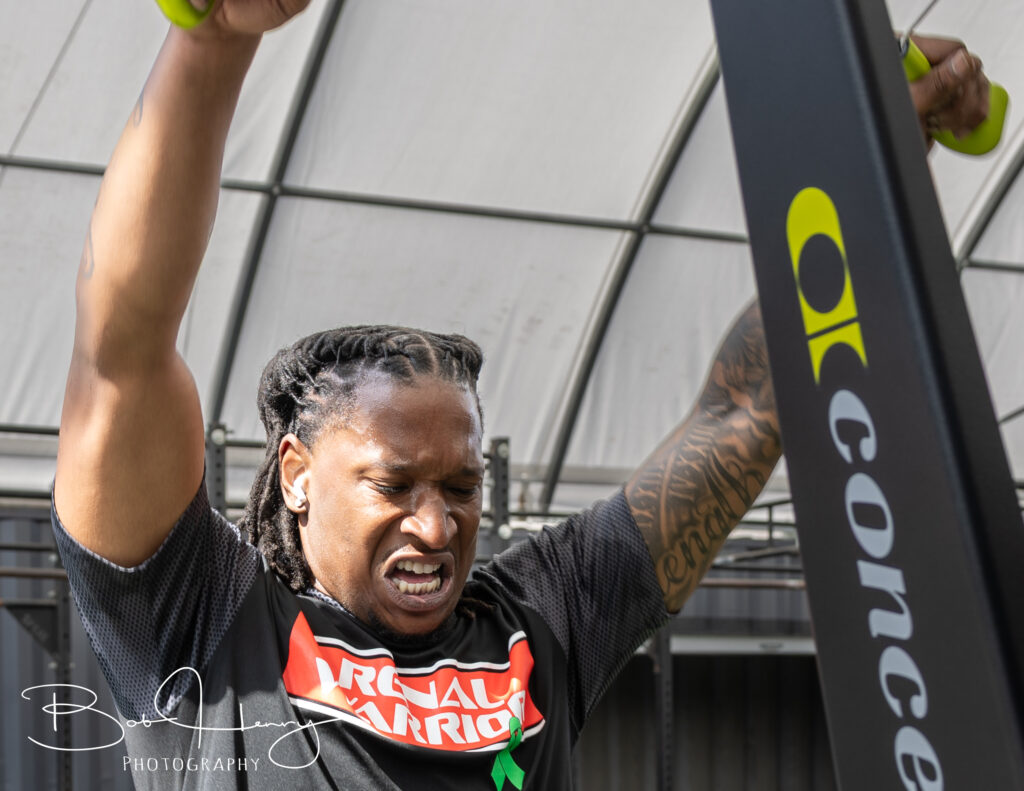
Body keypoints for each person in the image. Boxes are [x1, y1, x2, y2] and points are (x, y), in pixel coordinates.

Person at [50, 1, 993, 787]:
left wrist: (868, 159)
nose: (435, 525)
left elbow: (748, 409)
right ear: (296, 473)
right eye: (393, 484)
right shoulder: (203, 624)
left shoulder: (542, 618)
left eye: (461, 487)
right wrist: (213, 39)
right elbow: (121, 352)